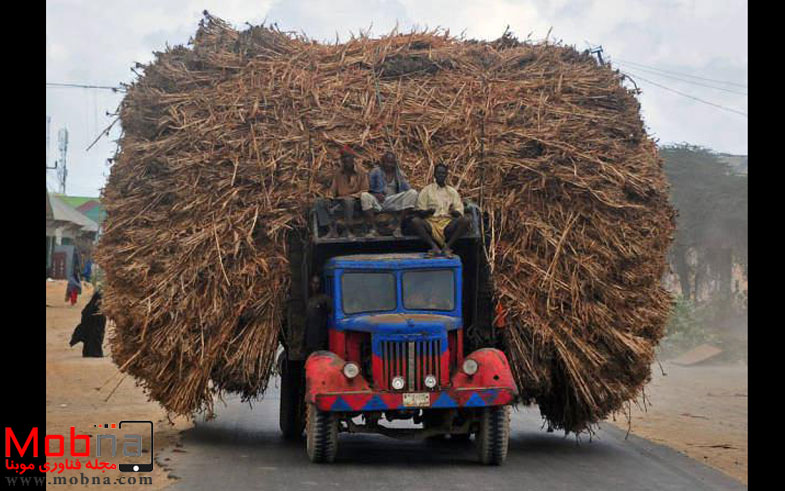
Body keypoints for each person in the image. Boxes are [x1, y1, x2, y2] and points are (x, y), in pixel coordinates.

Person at [410, 162, 472, 257]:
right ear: (434, 174)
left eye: (443, 173)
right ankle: (434, 247)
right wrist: (427, 212)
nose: (441, 175)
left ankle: (447, 247)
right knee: (415, 221)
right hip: (431, 222)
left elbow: (459, 213)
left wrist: (453, 212)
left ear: (446, 175)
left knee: (466, 220)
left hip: (447, 223)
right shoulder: (426, 190)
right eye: (439, 173)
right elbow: (420, 212)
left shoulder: (452, 192)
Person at [314, 147, 375, 238]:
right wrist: (329, 197)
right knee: (319, 202)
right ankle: (330, 230)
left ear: (352, 159)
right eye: (344, 159)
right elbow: (333, 190)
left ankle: (349, 230)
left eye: (348, 158)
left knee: (348, 201)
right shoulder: (338, 173)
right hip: (340, 200)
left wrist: (352, 196)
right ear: (342, 161)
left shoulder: (361, 172)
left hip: (356, 201)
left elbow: (365, 190)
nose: (346, 161)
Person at [366, 151, 419, 237]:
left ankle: (398, 227)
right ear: (383, 162)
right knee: (365, 196)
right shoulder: (375, 172)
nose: (389, 165)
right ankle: (373, 229)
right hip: (378, 201)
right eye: (388, 162)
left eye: (392, 163)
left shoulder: (398, 174)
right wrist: (375, 194)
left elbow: (407, 189)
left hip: (393, 201)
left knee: (413, 193)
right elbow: (367, 188)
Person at [69, 290, 106, 357]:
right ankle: (89, 353)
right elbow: (85, 314)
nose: (100, 301)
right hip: (90, 328)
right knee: (90, 339)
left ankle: (97, 353)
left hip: (97, 329)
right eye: (99, 299)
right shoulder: (90, 306)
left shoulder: (101, 307)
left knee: (97, 339)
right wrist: (93, 316)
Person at [304, 275, 332, 354]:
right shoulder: (309, 300)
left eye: (317, 283)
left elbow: (331, 313)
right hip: (310, 340)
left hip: (320, 341)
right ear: (310, 284)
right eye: (314, 283)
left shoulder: (325, 299)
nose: (315, 286)